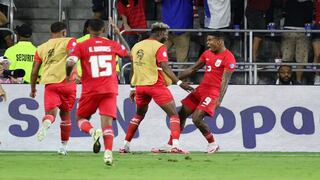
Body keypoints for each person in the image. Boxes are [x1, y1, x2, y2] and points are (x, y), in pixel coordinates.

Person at [154, 32, 236, 153]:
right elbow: (193, 69)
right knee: (181, 114)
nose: (207, 43)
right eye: (207, 40)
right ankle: (171, 144)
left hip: (212, 93)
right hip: (201, 89)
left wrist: (219, 99)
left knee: (196, 119)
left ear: (220, 41)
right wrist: (176, 79)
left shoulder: (229, 58)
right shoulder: (207, 53)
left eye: (210, 40)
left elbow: (225, 81)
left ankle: (213, 144)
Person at [119, 22, 194, 154]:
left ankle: (125, 145)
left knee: (138, 115)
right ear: (159, 33)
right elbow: (165, 67)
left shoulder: (137, 46)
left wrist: (132, 88)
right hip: (155, 85)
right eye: (165, 33)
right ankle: (175, 146)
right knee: (174, 115)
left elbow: (133, 68)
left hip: (140, 87)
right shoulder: (159, 46)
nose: (167, 36)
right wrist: (179, 82)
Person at [66, 18, 130, 165]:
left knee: (81, 119)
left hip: (91, 90)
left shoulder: (81, 46)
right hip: (110, 89)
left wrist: (67, 75)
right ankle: (108, 153)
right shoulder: (112, 44)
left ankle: (92, 132)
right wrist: (118, 34)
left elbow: (70, 62)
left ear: (88, 29)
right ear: (103, 30)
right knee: (107, 125)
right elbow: (129, 53)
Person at [30, 22, 77, 156]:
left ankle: (47, 122)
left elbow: (34, 72)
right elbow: (72, 58)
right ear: (64, 32)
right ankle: (63, 147)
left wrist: (33, 89)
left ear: (51, 32)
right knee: (66, 116)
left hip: (50, 85)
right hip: (67, 83)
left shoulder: (41, 48)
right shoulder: (70, 41)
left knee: (51, 114)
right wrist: (73, 74)